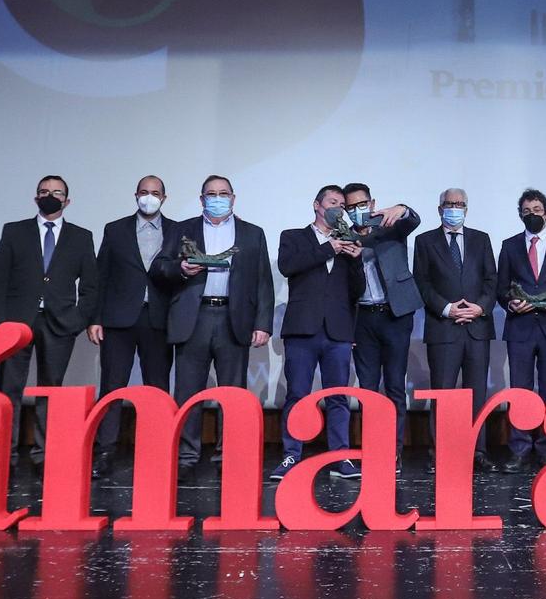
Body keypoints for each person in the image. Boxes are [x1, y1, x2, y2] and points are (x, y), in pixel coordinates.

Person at [155, 175, 274, 468]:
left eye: (223, 194)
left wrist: (263, 324)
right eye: (211, 194)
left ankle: (228, 455)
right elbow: (160, 266)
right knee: (187, 392)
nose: (217, 198)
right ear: (201, 199)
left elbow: (263, 282)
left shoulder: (252, 233)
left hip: (234, 318)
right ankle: (186, 456)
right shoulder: (184, 230)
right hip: (192, 318)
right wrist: (181, 268)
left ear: (233, 198)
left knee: (232, 393)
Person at [0, 174, 100, 477]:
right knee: (9, 389)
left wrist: (78, 319)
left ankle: (43, 454)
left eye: (57, 192)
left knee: (51, 390)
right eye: (44, 191)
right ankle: (5, 453)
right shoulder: (15, 231)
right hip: (16, 322)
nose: (50, 195)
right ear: (35, 197)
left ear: (67, 200)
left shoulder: (81, 236)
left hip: (59, 322)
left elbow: (91, 285)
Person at [273, 185, 364, 481]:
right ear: (317, 205)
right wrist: (329, 248)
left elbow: (356, 290)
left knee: (338, 396)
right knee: (298, 394)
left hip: (337, 330)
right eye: (332, 202)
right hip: (302, 328)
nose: (337, 207)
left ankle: (340, 458)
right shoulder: (294, 237)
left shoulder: (347, 239)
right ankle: (291, 456)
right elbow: (289, 266)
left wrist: (355, 258)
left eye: (341, 204)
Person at [90, 175, 176, 478]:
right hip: (118, 319)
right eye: (144, 192)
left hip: (159, 320)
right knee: (112, 387)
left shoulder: (178, 230)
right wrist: (95, 318)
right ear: (135, 195)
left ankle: (158, 449)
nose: (149, 197)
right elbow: (101, 276)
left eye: (155, 193)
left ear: (164, 198)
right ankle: (105, 452)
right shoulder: (115, 229)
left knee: (158, 389)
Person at [414, 187, 499, 471]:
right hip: (443, 328)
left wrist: (480, 307)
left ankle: (477, 451)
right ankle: (442, 451)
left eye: (460, 204)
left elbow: (491, 280)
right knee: (444, 393)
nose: (455, 208)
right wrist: (449, 309)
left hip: (477, 327)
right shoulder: (425, 241)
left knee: (477, 394)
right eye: (450, 204)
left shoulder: (481, 239)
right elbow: (422, 284)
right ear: (439, 209)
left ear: (467, 208)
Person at [495, 188, 546, 471]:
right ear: (520, 214)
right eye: (527, 211)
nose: (532, 215)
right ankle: (519, 448)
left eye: (537, 210)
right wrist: (511, 303)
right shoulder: (509, 245)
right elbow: (501, 288)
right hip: (520, 327)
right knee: (520, 393)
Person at [339, 182, 421, 461]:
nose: (357, 210)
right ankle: (373, 449)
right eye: (350, 207)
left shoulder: (390, 225)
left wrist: (403, 208)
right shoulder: (344, 237)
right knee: (368, 388)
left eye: (361, 204)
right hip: (363, 319)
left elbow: (414, 220)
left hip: (395, 315)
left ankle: (394, 450)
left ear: (372, 203)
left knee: (396, 385)